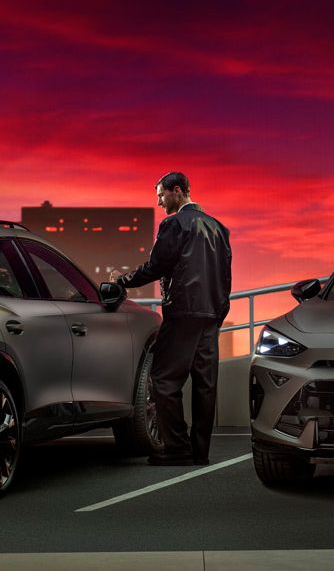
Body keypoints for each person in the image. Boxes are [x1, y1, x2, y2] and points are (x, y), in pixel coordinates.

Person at [115, 172, 232, 465]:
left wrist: (121, 280)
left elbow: (157, 266)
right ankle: (200, 452)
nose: (158, 201)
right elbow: (226, 277)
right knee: (206, 385)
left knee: (164, 378)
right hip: (210, 315)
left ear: (177, 191)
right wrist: (218, 313)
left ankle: (177, 447)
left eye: (161, 195)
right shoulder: (219, 228)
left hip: (182, 312)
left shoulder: (174, 224)